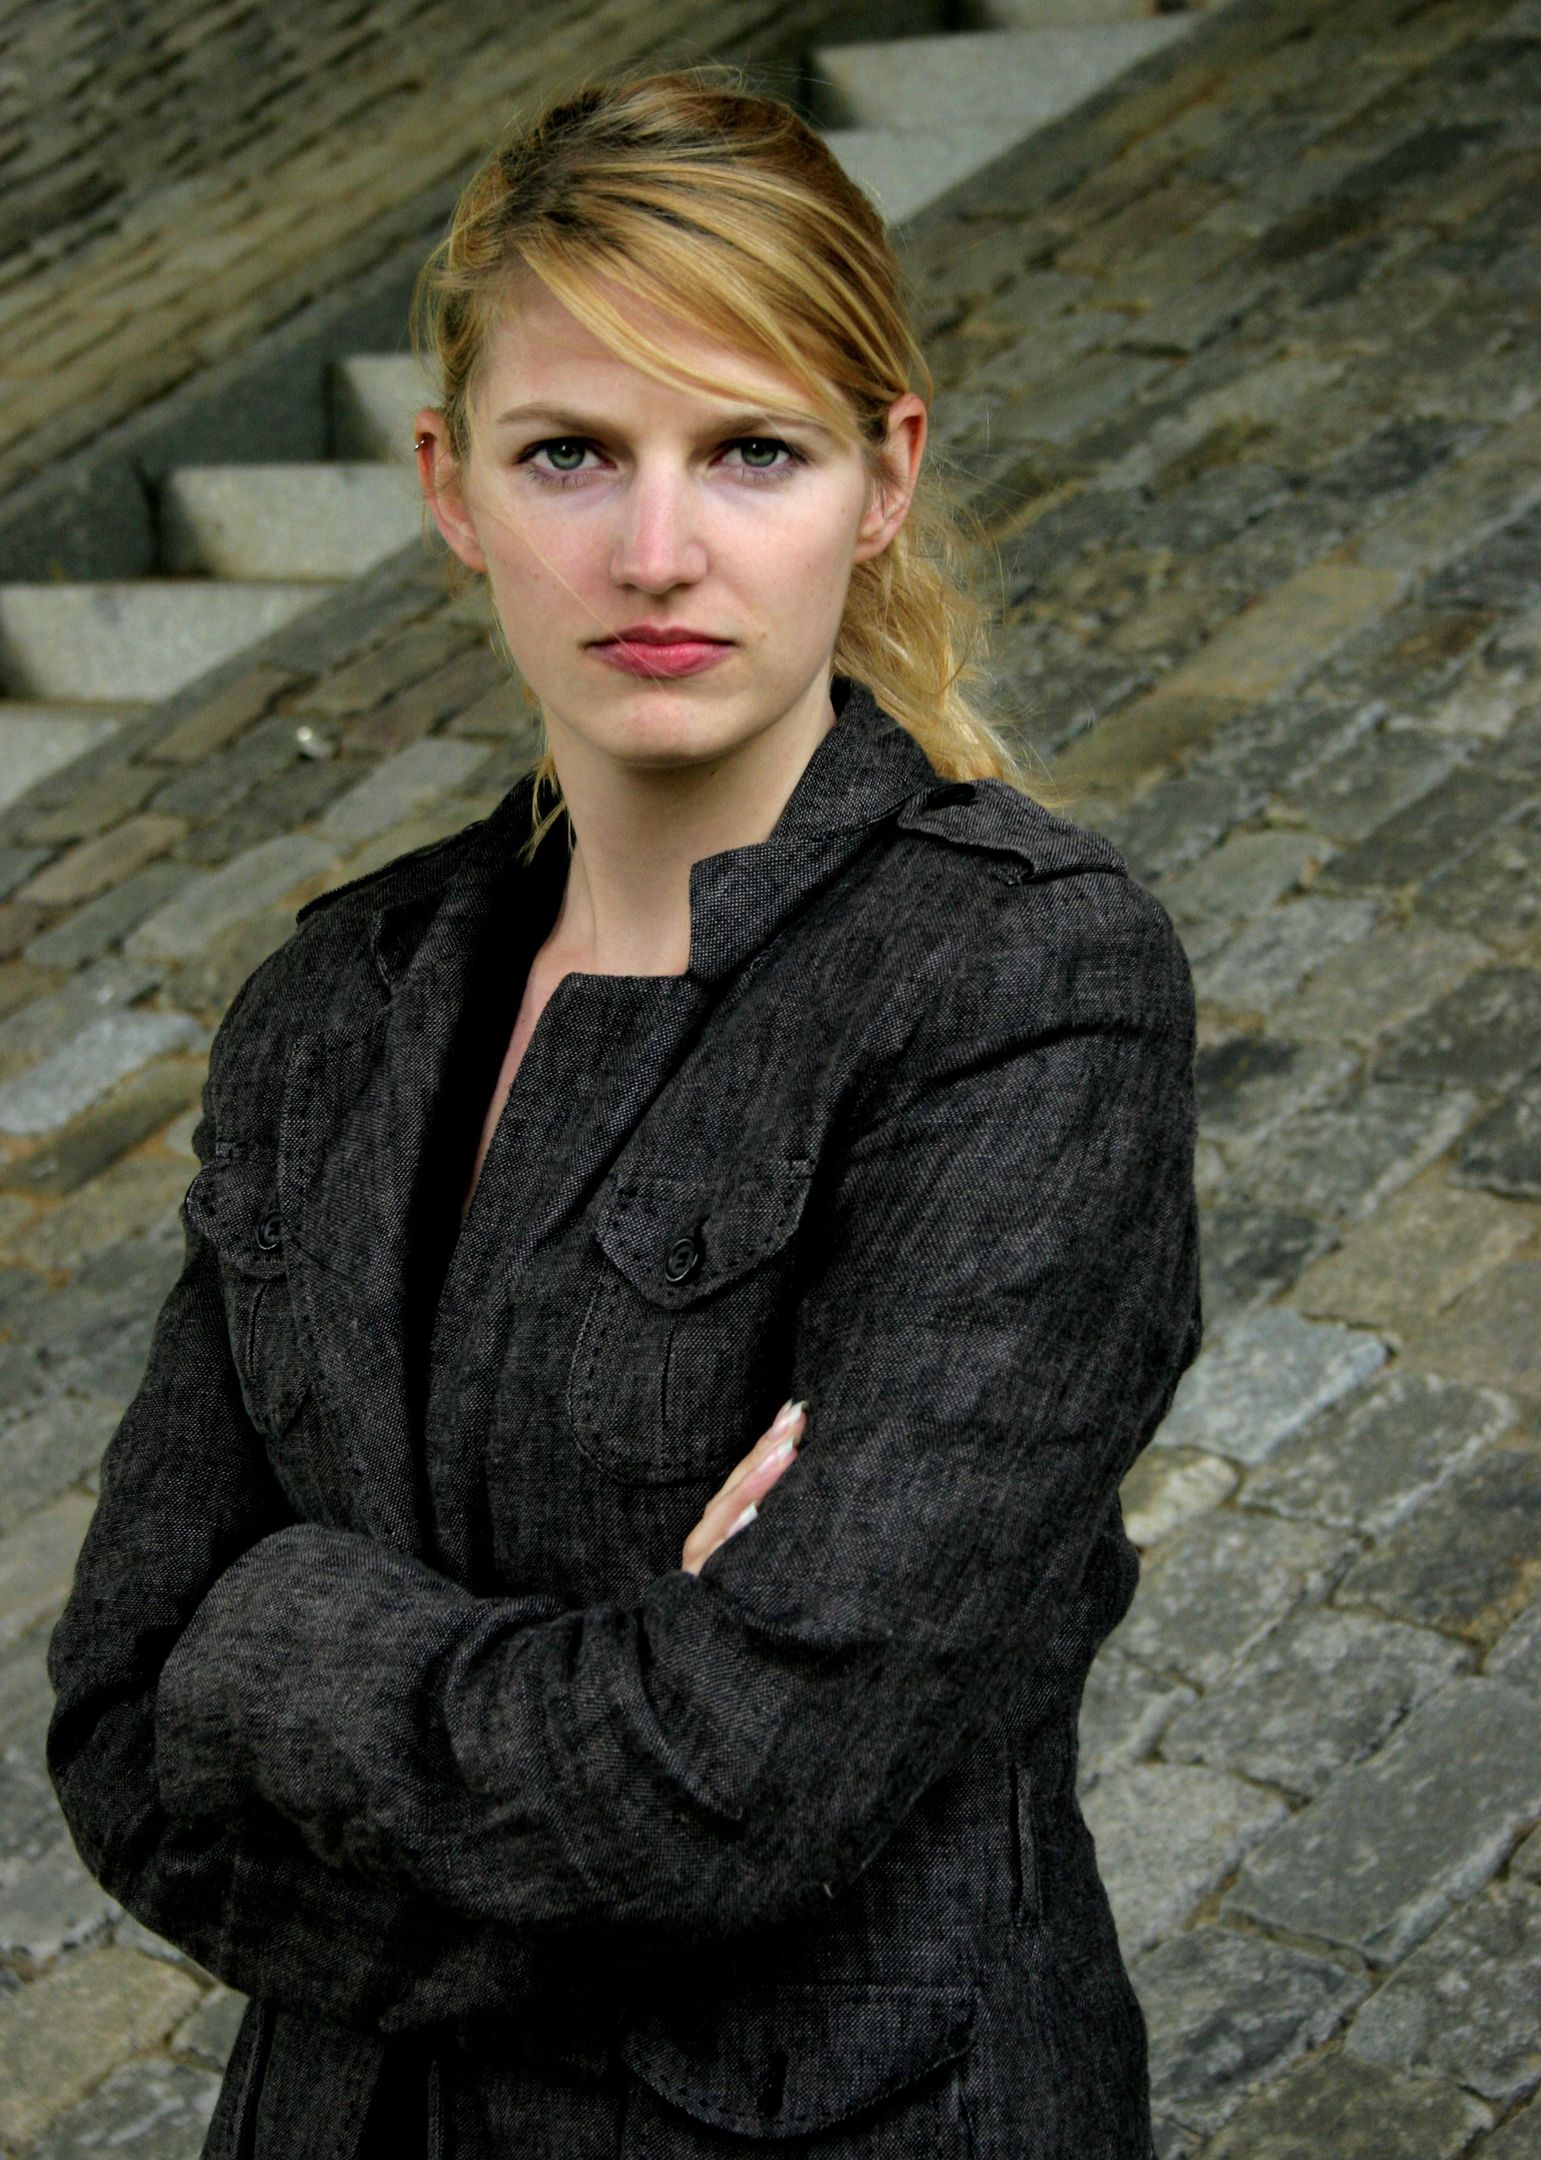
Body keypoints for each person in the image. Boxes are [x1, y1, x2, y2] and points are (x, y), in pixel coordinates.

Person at [46, 60, 1202, 2160]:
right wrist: (613, 1727)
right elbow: (128, 1739)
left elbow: (738, 1779)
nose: (655, 553)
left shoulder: (1022, 989)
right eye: (568, 453)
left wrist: (273, 1637)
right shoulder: (329, 1010)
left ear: (883, 477)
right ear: (450, 486)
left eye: (751, 450)